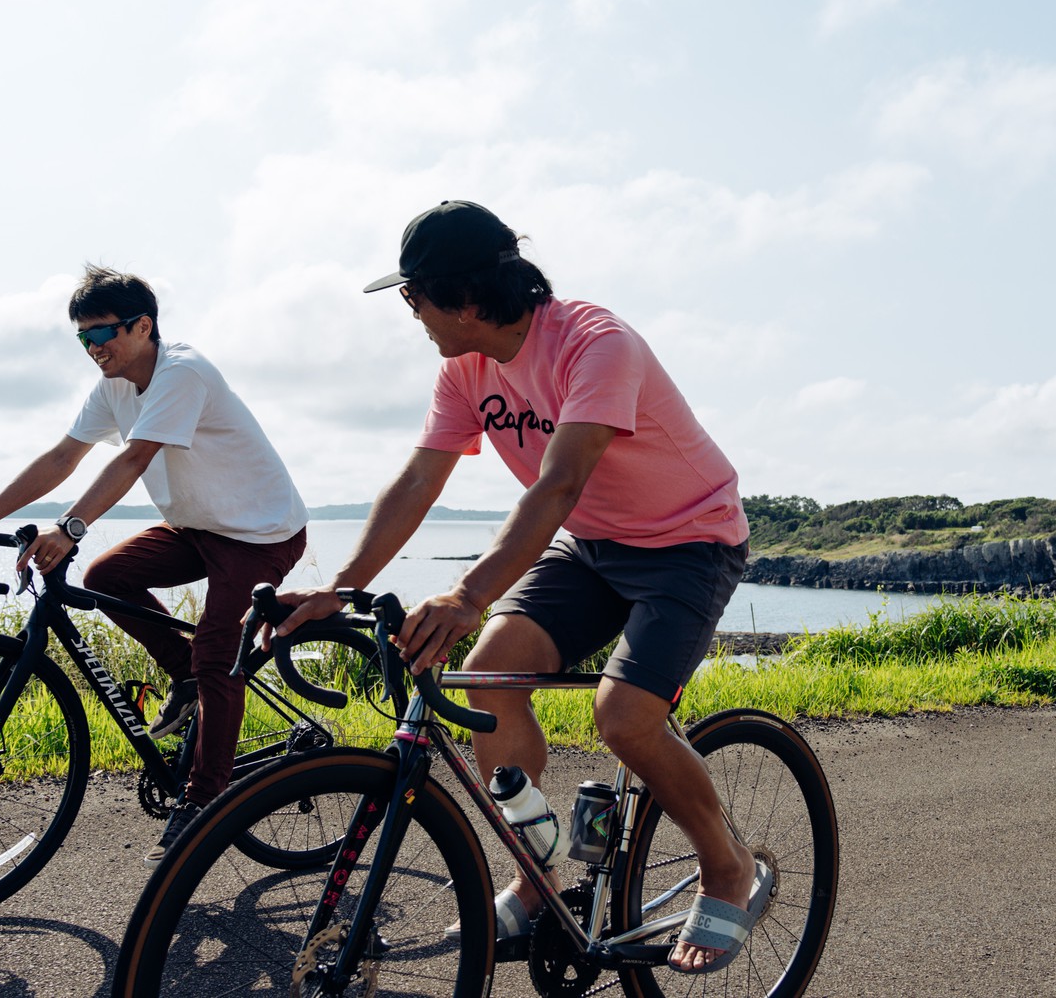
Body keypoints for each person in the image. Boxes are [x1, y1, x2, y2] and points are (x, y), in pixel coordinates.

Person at [270, 200, 763, 974]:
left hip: (687, 542)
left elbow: (557, 484)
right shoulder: (462, 369)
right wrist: (339, 585)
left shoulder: (596, 344)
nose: (411, 314)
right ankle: (537, 877)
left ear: (465, 300)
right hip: (594, 547)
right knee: (489, 676)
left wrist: (467, 594)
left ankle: (727, 865)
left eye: (413, 297)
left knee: (625, 717)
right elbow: (417, 482)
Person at [0, 264, 310, 862]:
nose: (93, 348)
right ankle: (188, 680)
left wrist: (71, 526)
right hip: (197, 528)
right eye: (82, 337)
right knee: (108, 577)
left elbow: (133, 461)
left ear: (143, 326)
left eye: (103, 333)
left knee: (218, 654)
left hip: (261, 533)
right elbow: (63, 456)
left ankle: (203, 803)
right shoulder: (114, 386)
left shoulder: (182, 372)